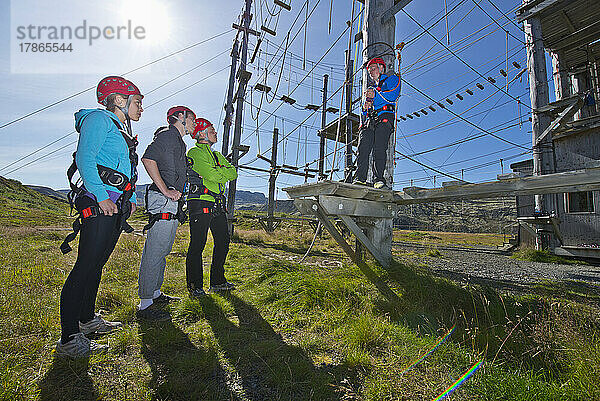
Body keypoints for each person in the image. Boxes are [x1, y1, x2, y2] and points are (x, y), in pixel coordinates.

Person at [56, 76, 143, 357]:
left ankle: (87, 320)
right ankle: (69, 339)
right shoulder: (99, 119)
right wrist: (102, 196)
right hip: (99, 201)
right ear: (120, 100)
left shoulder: (118, 128)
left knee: (97, 265)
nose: (141, 108)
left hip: (114, 203)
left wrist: (125, 201)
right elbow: (85, 157)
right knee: (85, 266)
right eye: (138, 102)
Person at [136, 106, 197, 321]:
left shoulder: (178, 141)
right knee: (155, 250)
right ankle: (145, 304)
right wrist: (165, 190)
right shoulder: (169, 135)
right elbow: (148, 159)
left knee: (162, 250)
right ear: (180, 117)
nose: (194, 124)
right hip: (163, 201)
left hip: (170, 203)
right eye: (192, 119)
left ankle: (154, 294)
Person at [185, 118, 237, 298]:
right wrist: (219, 172)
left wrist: (218, 173)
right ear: (201, 134)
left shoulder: (217, 155)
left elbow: (233, 173)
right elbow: (212, 174)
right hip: (200, 201)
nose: (215, 133)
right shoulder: (195, 153)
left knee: (223, 240)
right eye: (212, 130)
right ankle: (195, 286)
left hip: (217, 202)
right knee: (198, 243)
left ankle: (217, 281)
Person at [354, 57, 401, 190]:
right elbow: (365, 111)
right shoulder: (371, 89)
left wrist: (375, 95)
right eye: (369, 70)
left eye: (373, 68)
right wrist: (365, 107)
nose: (371, 72)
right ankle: (360, 178)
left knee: (379, 147)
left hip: (385, 116)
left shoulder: (392, 79)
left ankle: (379, 179)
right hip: (371, 118)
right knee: (363, 145)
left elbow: (392, 95)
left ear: (381, 68)